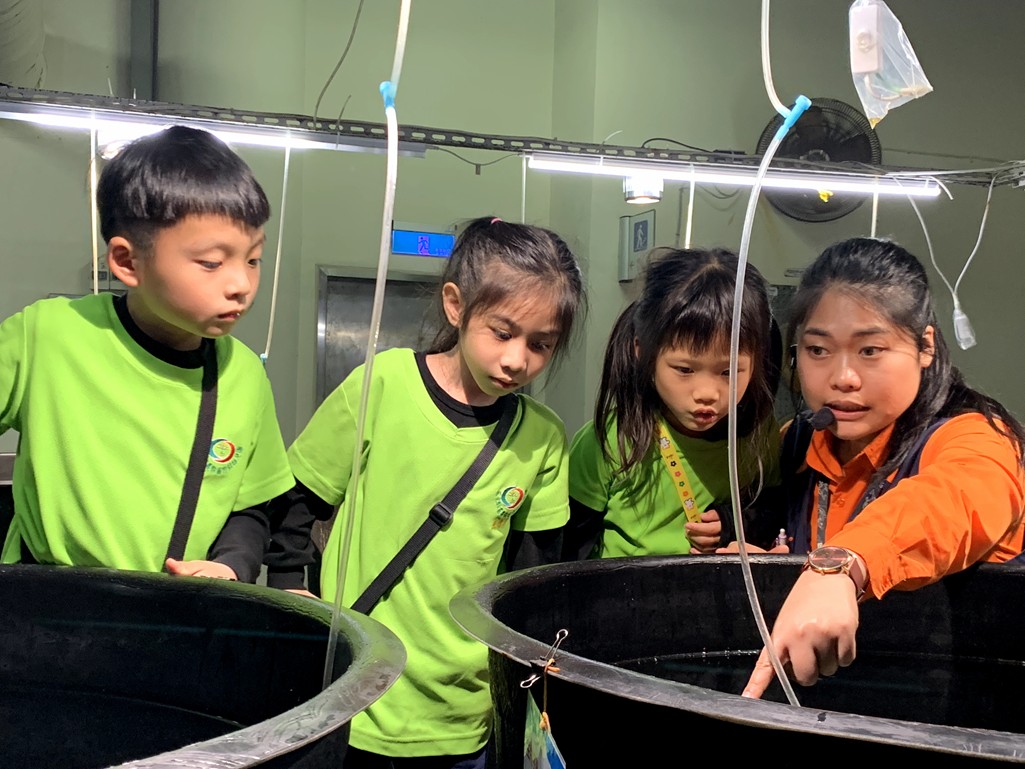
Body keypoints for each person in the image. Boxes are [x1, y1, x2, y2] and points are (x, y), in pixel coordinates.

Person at [275, 216, 585, 767]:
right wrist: (290, 595)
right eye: (503, 332)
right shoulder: (383, 385)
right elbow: (299, 501)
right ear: (455, 306)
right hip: (353, 690)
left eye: (541, 344)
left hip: (464, 711)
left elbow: (530, 575)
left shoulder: (541, 437)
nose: (518, 360)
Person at [0, 125, 294, 582]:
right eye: (212, 262)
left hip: (175, 615)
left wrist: (230, 564)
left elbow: (250, 506)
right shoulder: (47, 336)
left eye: (253, 259)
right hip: (44, 609)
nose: (241, 283)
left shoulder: (242, 375)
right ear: (127, 261)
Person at [741, 236, 1025, 699]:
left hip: (953, 711)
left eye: (870, 350)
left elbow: (948, 502)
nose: (843, 378)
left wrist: (839, 565)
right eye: (818, 350)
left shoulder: (979, 440)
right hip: (826, 703)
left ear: (925, 346)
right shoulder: (796, 440)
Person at [564, 247, 783, 561]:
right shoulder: (611, 438)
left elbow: (773, 508)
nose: (707, 393)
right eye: (684, 369)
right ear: (642, 352)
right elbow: (573, 548)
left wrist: (733, 523)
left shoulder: (758, 431)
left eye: (728, 372)